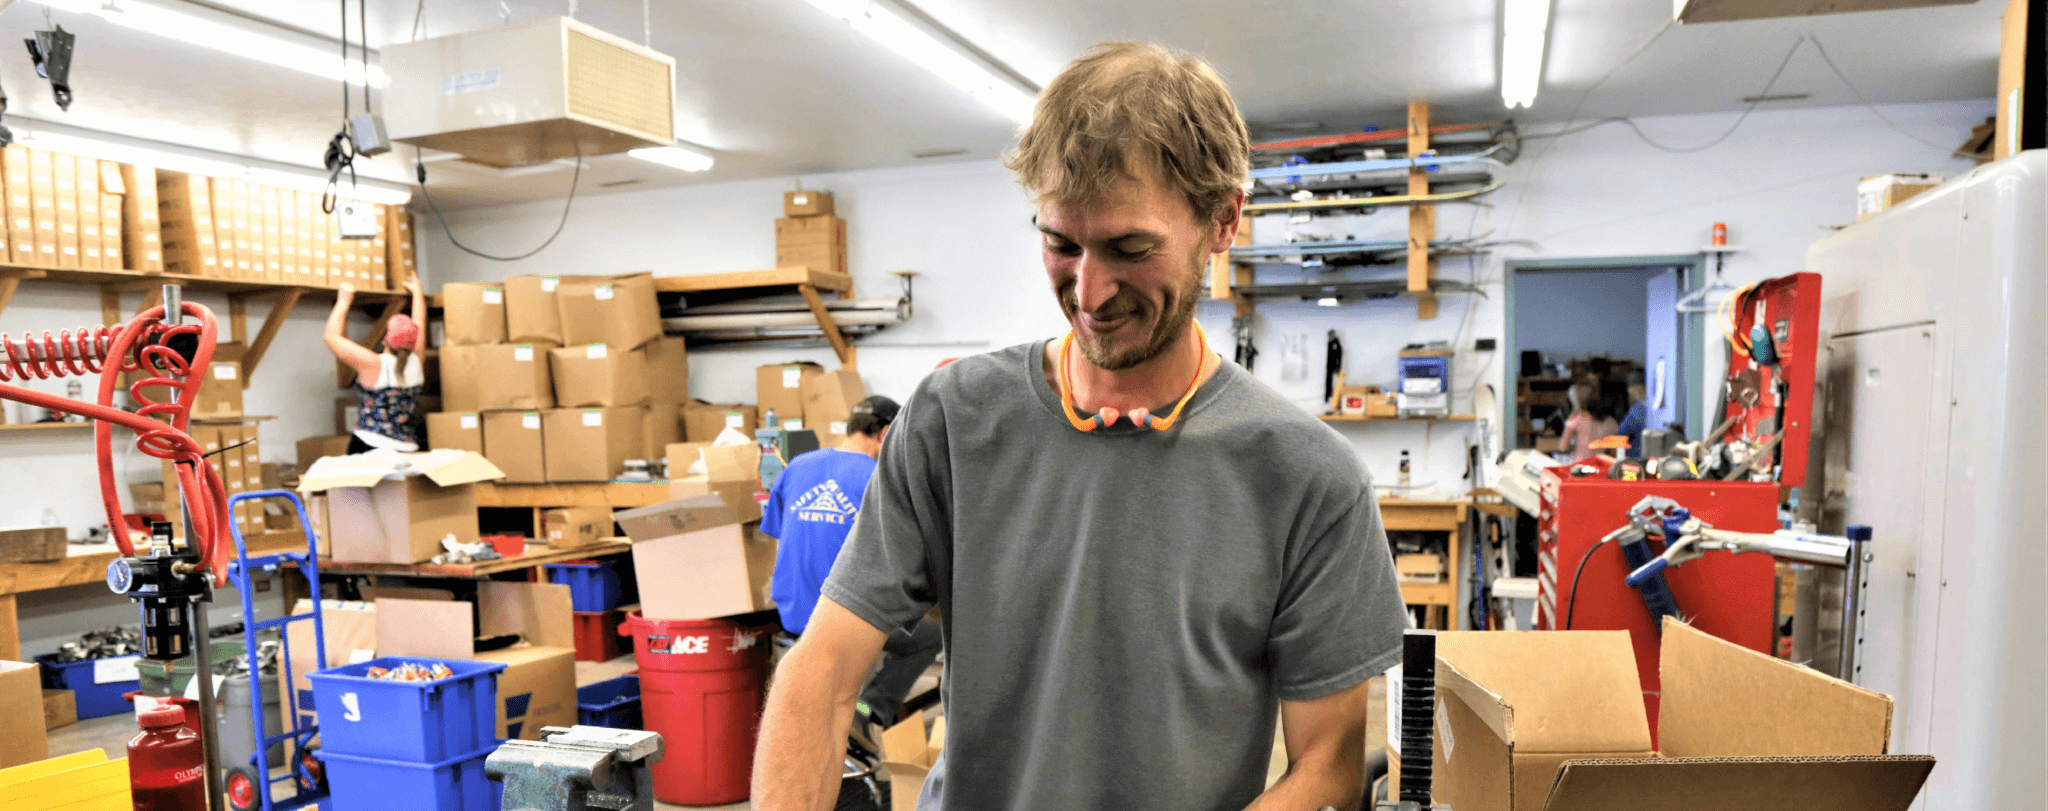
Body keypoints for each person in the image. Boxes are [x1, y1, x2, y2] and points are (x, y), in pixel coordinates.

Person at [755, 41, 1407, 811]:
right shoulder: (952, 420)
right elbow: (822, 673)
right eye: (1061, 243)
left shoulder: (1307, 477)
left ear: (1223, 220)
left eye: (1130, 248)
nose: (1090, 291)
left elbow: (1327, 762)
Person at [760, 395, 940, 731]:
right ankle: (868, 709)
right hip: (844, 623)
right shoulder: (881, 477)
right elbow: (904, 559)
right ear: (886, 434)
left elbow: (777, 540)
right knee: (931, 636)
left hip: (792, 614)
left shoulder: (797, 466)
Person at [325, 277, 427, 454]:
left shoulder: (373, 364)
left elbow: (331, 337)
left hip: (370, 446)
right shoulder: (417, 362)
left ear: (386, 339)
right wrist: (417, 292)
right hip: (407, 448)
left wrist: (344, 300)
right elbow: (420, 323)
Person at [1560, 380, 1622, 462]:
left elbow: (1563, 447)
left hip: (1579, 467)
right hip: (1600, 468)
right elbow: (1615, 453)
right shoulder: (1612, 424)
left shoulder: (1577, 419)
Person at [1616, 374, 1650, 456]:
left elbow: (1622, 431)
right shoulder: (1653, 407)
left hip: (1636, 458)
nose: (1629, 392)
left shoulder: (1639, 408)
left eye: (1630, 388)